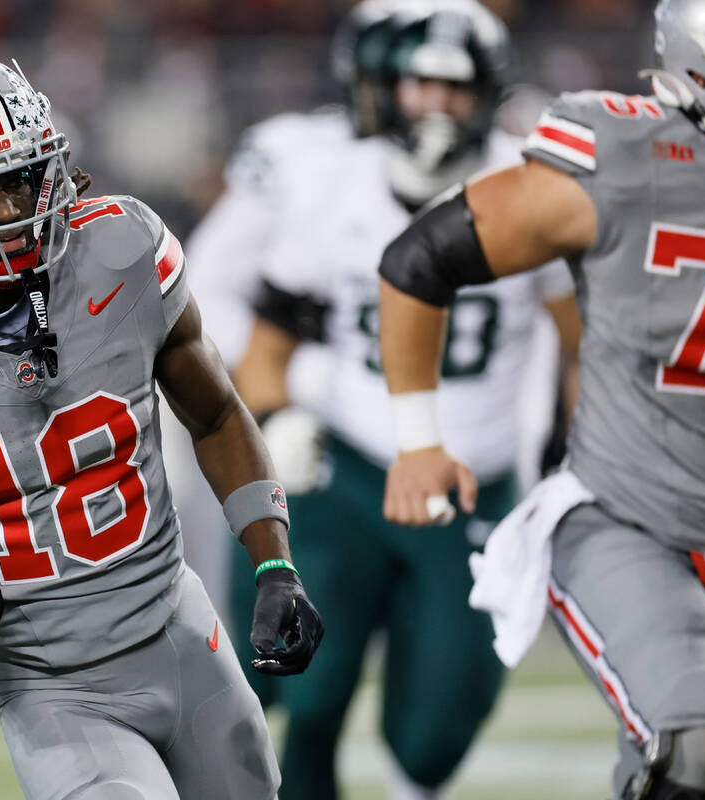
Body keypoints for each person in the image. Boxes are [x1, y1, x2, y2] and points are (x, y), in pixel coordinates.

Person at [0, 49, 322, 799]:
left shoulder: (119, 252)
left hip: (177, 629)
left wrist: (273, 562)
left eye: (16, 180)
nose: (8, 212)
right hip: (52, 687)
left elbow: (217, 413)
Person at [188, 3, 580, 799]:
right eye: (421, 85)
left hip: (474, 479)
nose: (436, 106)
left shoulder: (532, 186)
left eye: (457, 88)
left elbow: (586, 341)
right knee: (308, 688)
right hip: (348, 471)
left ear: (491, 94)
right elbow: (265, 353)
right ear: (388, 89)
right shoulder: (330, 182)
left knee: (433, 734)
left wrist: (577, 456)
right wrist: (283, 419)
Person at [376, 1, 705, 797]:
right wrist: (420, 439)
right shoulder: (633, 157)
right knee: (696, 749)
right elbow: (421, 259)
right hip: (637, 519)